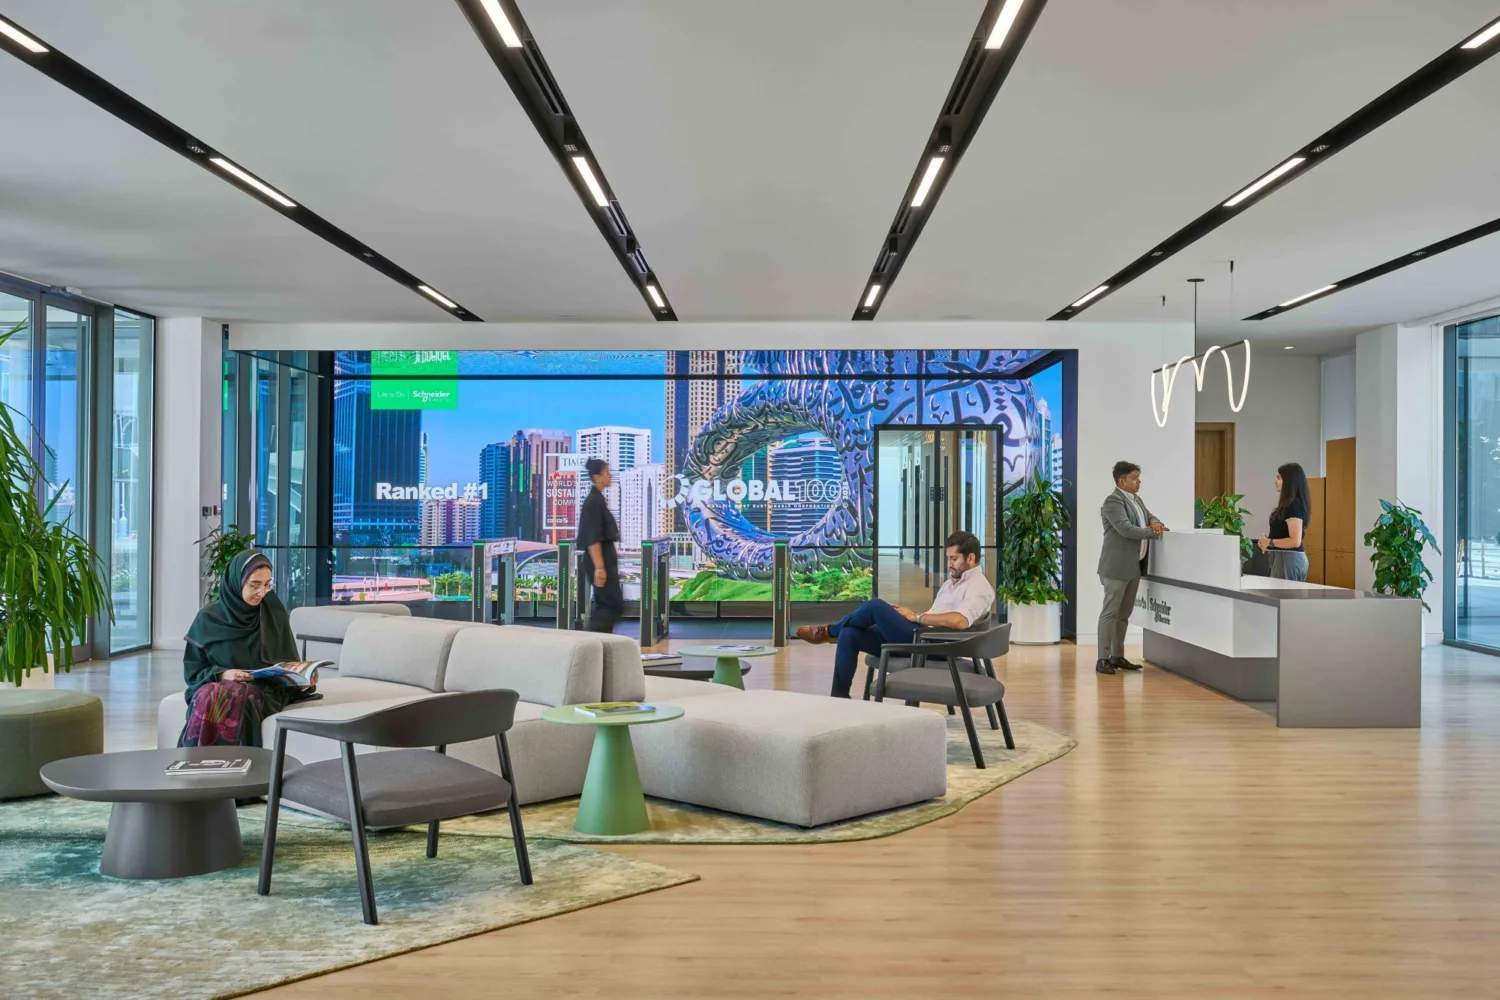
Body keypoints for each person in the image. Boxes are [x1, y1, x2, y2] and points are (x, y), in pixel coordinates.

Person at [795, 530, 994, 698]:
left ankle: (828, 631)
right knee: (850, 634)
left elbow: (960, 621)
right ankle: (839, 700)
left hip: (936, 646)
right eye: (948, 559)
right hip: (921, 636)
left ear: (970, 558)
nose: (949, 564)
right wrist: (910, 617)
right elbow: (938, 615)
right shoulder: (952, 583)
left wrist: (916, 617)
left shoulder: (979, 587)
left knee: (875, 606)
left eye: (954, 559)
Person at [178, 550, 316, 747]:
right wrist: (223, 674)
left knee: (236, 695)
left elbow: (288, 665)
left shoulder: (273, 613)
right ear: (237, 582)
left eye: (267, 585)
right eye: (254, 585)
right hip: (214, 685)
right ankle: (199, 763)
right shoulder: (208, 618)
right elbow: (193, 673)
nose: (262, 593)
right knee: (215, 694)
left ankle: (234, 765)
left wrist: (303, 680)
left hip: (263, 691)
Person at [1097, 461, 1166, 676]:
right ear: (1122, 480)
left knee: (1124, 614)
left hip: (1133, 566)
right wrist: (1154, 532)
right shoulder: (1113, 501)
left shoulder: (1136, 499)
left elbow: (1149, 515)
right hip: (1116, 567)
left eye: (1138, 477)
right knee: (1110, 612)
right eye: (1134, 477)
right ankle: (1102, 659)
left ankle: (1117, 656)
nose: (1138, 481)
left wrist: (1155, 522)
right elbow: (1127, 529)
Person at [576, 457, 624, 634]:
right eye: (607, 472)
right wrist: (599, 568)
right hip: (600, 560)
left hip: (604, 560)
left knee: (611, 605)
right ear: (597, 477)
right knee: (610, 606)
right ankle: (592, 642)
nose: (610, 476)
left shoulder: (598, 499)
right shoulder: (593, 502)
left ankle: (601, 644)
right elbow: (592, 537)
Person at [1259, 462, 1312, 581]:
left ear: (1289, 481)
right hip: (1282, 559)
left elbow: (1295, 541)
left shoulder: (1294, 505)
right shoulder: (1287, 505)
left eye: (1279, 478)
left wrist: (1270, 542)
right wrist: (1267, 542)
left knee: (1283, 598)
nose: (1275, 481)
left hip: (1289, 560)